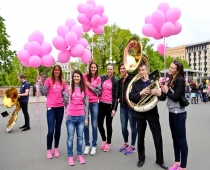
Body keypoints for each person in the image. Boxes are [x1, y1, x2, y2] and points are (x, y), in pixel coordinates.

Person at [129, 63, 168, 169]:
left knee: (158, 137)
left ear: (147, 70)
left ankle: (160, 160)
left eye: (143, 70)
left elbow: (163, 97)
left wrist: (158, 93)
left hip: (152, 114)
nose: (141, 72)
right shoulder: (135, 84)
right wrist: (140, 93)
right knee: (141, 137)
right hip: (140, 114)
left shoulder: (154, 82)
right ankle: (141, 158)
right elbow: (131, 97)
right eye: (139, 70)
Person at [153, 59, 188, 170]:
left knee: (181, 140)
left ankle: (183, 166)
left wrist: (167, 90)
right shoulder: (171, 79)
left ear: (177, 71)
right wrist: (160, 92)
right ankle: (177, 162)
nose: (170, 69)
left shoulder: (180, 80)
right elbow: (164, 97)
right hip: (172, 113)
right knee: (175, 138)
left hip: (179, 114)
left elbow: (176, 96)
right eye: (170, 67)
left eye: (172, 68)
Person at [39, 65, 66, 159]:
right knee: (51, 130)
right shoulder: (48, 80)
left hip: (60, 108)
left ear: (60, 71)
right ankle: (49, 150)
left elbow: (65, 94)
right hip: (51, 107)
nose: (57, 71)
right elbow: (43, 92)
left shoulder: (63, 82)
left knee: (58, 129)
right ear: (53, 71)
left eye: (58, 70)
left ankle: (56, 148)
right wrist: (40, 84)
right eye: (55, 70)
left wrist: (68, 98)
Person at [65, 70, 88, 166]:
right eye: (74, 76)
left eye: (78, 76)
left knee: (80, 137)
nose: (76, 78)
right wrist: (67, 93)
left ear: (80, 78)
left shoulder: (84, 89)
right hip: (71, 117)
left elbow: (86, 104)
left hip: (81, 116)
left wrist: (86, 117)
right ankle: (70, 156)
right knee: (70, 137)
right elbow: (65, 102)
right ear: (72, 78)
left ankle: (79, 154)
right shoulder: (69, 88)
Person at [118, 63, 137, 155]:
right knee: (123, 127)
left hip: (130, 107)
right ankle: (126, 143)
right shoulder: (120, 81)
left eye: (123, 68)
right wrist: (119, 98)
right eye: (120, 69)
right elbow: (118, 93)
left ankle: (133, 146)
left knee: (133, 126)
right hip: (122, 107)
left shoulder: (132, 78)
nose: (122, 70)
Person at [98, 63, 118, 152]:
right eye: (108, 69)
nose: (109, 71)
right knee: (99, 123)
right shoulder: (103, 78)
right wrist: (91, 63)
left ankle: (109, 143)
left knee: (108, 125)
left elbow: (116, 95)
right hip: (101, 104)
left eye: (111, 69)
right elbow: (93, 75)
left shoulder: (115, 81)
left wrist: (114, 108)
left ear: (113, 70)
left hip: (109, 105)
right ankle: (104, 139)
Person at [83, 61, 101, 156]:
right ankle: (87, 145)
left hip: (94, 103)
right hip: (85, 103)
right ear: (89, 68)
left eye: (95, 67)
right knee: (85, 125)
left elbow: (98, 91)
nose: (93, 69)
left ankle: (94, 145)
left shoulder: (98, 78)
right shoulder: (85, 76)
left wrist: (90, 87)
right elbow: (76, 77)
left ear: (96, 69)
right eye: (92, 67)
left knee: (94, 125)